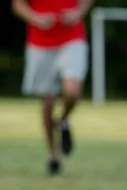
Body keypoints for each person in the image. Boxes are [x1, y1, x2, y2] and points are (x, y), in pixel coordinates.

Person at [12, 0, 93, 175]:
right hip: (40, 43)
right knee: (47, 103)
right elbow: (18, 5)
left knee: (72, 91)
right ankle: (53, 155)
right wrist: (36, 18)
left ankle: (63, 119)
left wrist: (78, 12)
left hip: (72, 38)